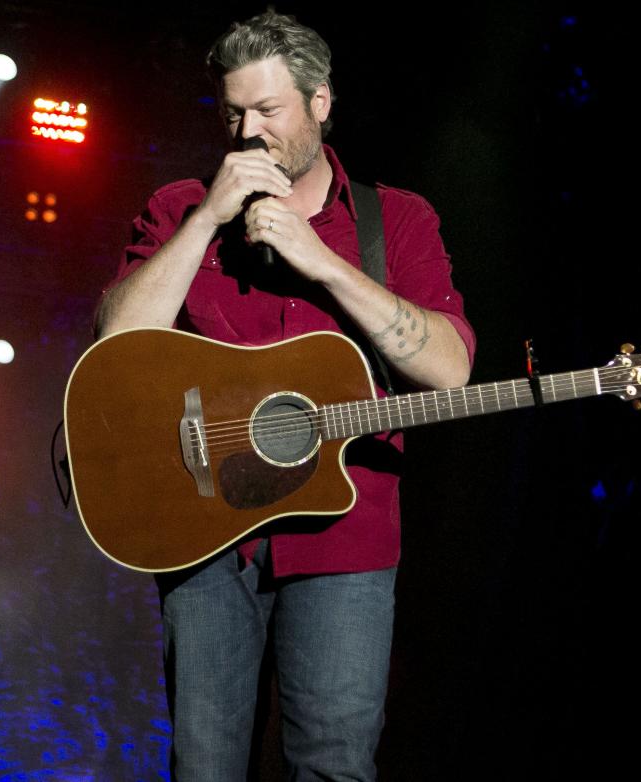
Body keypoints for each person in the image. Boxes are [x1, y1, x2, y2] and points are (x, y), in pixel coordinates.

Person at [96, 11, 475, 780]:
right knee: (205, 769)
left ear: (320, 102)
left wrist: (322, 261)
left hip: (345, 541)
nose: (249, 132)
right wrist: (207, 219)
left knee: (334, 765)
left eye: (268, 110)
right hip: (204, 536)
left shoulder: (395, 218)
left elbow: (449, 370)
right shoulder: (178, 207)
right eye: (234, 112)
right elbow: (115, 346)